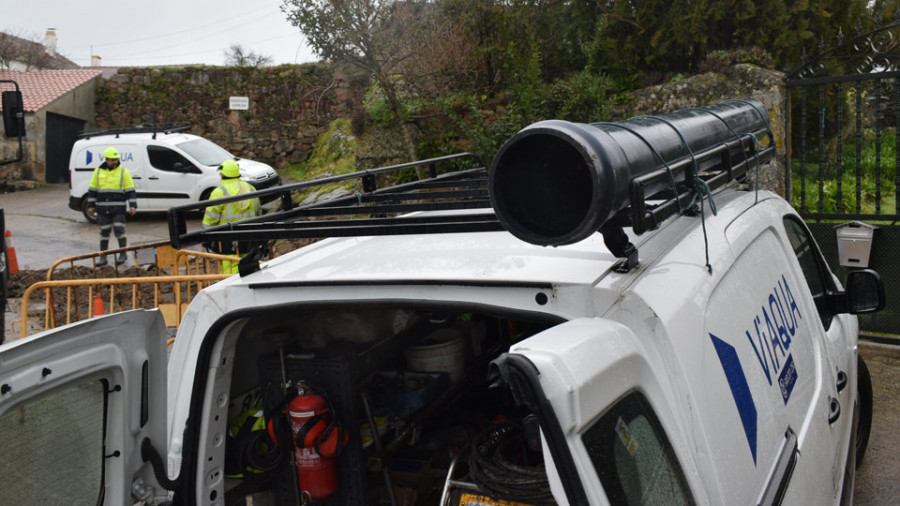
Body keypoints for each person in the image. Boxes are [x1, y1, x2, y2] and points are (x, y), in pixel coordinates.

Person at [202, 159, 260, 274]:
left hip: (227, 241)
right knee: (249, 266)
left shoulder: (219, 192)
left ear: (222, 175)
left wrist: (207, 237)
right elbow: (259, 214)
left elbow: (209, 221)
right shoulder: (251, 189)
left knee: (230, 269)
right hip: (250, 238)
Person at [86, 147, 137, 266]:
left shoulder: (123, 171)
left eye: (116, 159)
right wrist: (91, 205)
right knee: (104, 232)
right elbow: (92, 190)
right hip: (103, 208)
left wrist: (133, 205)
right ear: (107, 160)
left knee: (120, 230)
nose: (115, 162)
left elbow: (130, 190)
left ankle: (122, 254)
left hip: (118, 208)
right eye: (112, 160)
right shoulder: (98, 172)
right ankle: (103, 257)